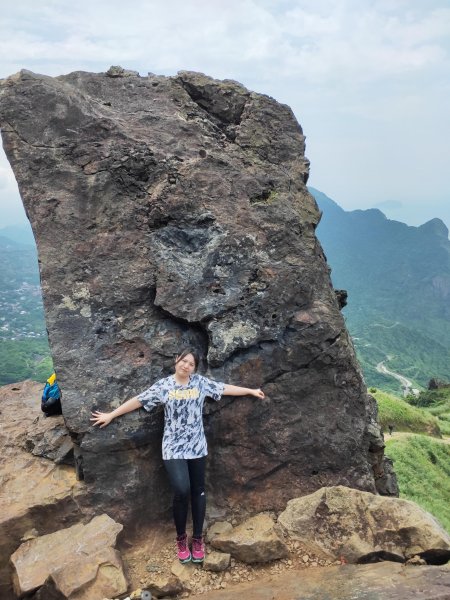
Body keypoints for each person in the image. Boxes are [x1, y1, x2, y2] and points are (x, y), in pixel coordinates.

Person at [90, 347, 265, 564]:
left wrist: (249, 390)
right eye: (184, 361)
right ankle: (181, 539)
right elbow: (139, 400)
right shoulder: (164, 386)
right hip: (173, 446)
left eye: (191, 364)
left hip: (197, 445)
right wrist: (111, 415)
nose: (186, 366)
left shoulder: (200, 383)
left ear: (194, 368)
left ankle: (198, 539)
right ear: (176, 360)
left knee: (199, 491)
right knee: (182, 490)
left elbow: (223, 388)